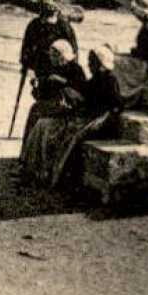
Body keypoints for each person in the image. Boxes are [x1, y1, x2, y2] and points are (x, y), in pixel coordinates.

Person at [18, 38, 90, 187]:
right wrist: (36, 86)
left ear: (61, 56)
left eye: (54, 56)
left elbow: (81, 93)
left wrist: (62, 82)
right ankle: (28, 162)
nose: (51, 59)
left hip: (68, 109)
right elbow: (41, 94)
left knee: (39, 117)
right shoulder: (52, 68)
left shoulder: (75, 69)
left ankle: (35, 167)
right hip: (52, 104)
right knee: (35, 111)